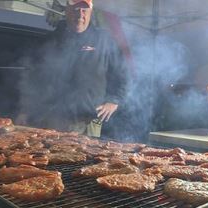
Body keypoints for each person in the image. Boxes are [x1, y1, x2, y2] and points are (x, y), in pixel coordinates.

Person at [17, 0, 127, 137]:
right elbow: (32, 77)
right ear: (67, 11)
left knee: (86, 158)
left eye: (84, 10)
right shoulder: (50, 40)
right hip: (51, 120)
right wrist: (25, 110)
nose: (80, 14)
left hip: (88, 122)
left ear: (90, 12)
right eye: (75, 10)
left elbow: (122, 74)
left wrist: (114, 100)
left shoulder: (104, 41)